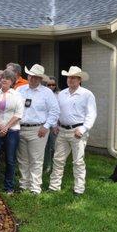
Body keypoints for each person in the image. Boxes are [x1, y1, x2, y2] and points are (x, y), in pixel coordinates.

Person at [48, 67, 96, 196]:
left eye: (73, 77)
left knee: (78, 161)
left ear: (79, 80)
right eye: (69, 77)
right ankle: (54, 187)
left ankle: (79, 189)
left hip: (78, 131)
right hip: (62, 130)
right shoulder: (62, 93)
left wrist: (83, 128)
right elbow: (56, 111)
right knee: (58, 159)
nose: (70, 80)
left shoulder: (87, 94)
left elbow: (91, 114)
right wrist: (54, 124)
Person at [16, 64, 60, 194]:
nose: (33, 79)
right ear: (28, 76)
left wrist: (46, 126)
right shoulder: (20, 90)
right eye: (31, 76)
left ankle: (35, 187)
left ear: (40, 79)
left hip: (38, 129)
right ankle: (24, 185)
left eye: (36, 77)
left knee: (36, 159)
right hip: (21, 128)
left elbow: (54, 111)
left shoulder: (46, 92)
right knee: (22, 158)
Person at [0, 70, 24, 194]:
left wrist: (6, 127)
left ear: (12, 81)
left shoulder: (17, 95)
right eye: (3, 78)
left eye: (7, 78)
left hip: (12, 130)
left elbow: (19, 114)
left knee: (10, 159)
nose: (4, 80)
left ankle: (9, 186)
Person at [43, 76, 59, 174]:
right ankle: (46, 166)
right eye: (49, 85)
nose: (51, 86)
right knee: (45, 147)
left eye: (53, 85)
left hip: (55, 125)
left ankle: (54, 166)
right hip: (43, 125)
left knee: (53, 146)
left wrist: (55, 125)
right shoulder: (43, 94)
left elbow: (58, 111)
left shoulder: (59, 95)